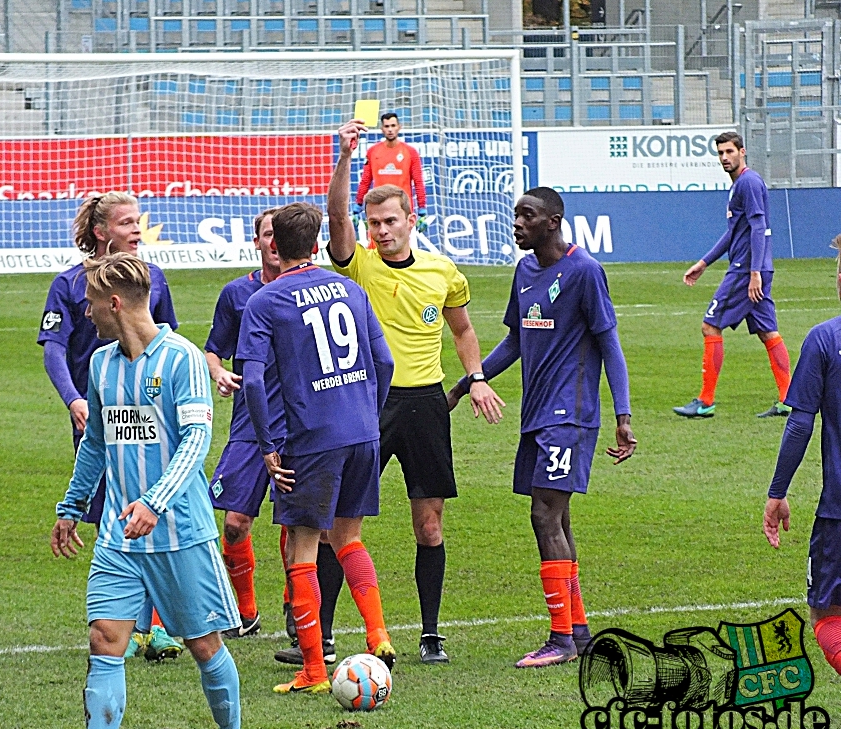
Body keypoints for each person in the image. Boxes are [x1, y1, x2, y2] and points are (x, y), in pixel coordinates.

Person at [325, 119, 504, 665]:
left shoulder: (442, 272)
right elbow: (335, 216)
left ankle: (430, 634)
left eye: (389, 221)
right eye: (373, 222)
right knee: (341, 521)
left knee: (428, 525)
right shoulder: (359, 265)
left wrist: (475, 378)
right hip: (369, 405)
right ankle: (324, 636)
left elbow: (464, 330)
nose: (381, 231)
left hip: (427, 404)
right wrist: (345, 158)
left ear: (411, 220)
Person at [51, 253, 242, 729]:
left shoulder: (182, 359)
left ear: (114, 304)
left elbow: (196, 440)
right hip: (119, 535)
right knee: (104, 642)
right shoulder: (99, 363)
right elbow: (95, 442)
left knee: (204, 646)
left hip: (179, 532)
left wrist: (154, 502)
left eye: (91, 305)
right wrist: (72, 507)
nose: (86, 314)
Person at [448, 187, 636, 668]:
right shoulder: (525, 271)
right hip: (537, 416)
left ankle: (560, 639)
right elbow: (515, 340)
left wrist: (623, 415)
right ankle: (578, 630)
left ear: (552, 222)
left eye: (527, 216)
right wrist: (466, 384)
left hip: (569, 416)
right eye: (516, 215)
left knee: (544, 516)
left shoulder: (584, 271)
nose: (517, 223)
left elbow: (609, 344)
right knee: (559, 520)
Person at [236, 202, 397, 694]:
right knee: (348, 538)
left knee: (303, 548)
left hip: (311, 439)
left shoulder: (266, 300)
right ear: (316, 243)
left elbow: (255, 381)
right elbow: (385, 362)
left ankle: (312, 669)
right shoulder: (351, 289)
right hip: (362, 433)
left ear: (274, 246)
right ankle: (378, 634)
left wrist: (268, 446)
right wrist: (367, 414)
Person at [39, 191, 182, 662]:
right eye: (125, 223)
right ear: (101, 232)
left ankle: (152, 626)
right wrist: (75, 400)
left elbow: (169, 338)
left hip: (151, 413)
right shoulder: (68, 285)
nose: (136, 230)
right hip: (99, 416)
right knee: (111, 518)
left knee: (150, 509)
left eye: (137, 221)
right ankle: (124, 620)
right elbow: (54, 349)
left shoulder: (152, 280)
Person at [204, 209, 286, 640]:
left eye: (280, 234)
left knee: (298, 522)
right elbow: (213, 349)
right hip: (251, 422)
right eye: (267, 234)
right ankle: (246, 611)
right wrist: (217, 371)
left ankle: (298, 608)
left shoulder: (306, 289)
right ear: (256, 240)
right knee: (235, 521)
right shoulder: (236, 293)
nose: (274, 241)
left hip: (300, 422)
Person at [763, 234, 841, 678]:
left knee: (828, 617)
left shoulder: (825, 339)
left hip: (837, 514)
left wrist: (777, 492)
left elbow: (799, 423)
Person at [674, 131, 792, 419]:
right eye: (721, 153)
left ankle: (705, 401)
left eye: (730, 151)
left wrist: (753, 273)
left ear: (743, 152)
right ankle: (789, 399)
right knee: (768, 331)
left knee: (710, 326)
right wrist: (704, 263)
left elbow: (758, 227)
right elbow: (734, 233)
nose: (725, 157)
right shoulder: (741, 184)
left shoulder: (748, 183)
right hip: (755, 268)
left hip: (745, 270)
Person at [354, 112, 427, 230]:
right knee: (376, 247)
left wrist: (422, 210)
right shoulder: (373, 151)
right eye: (387, 126)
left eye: (393, 126)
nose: (390, 130)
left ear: (399, 127)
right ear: (381, 129)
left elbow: (418, 182)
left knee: (401, 247)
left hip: (402, 209)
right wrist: (357, 206)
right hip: (379, 209)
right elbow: (365, 181)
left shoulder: (410, 152)